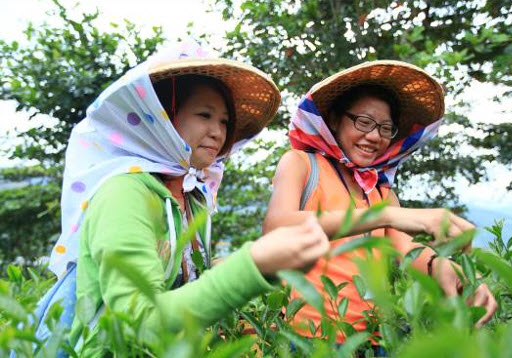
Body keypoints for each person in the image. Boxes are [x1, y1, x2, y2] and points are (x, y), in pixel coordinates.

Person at [39, 41, 330, 356]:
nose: (218, 132)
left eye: (224, 122)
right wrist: (252, 265)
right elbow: (138, 321)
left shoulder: (192, 196)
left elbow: (181, 282)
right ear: (162, 117)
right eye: (204, 115)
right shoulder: (124, 193)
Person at [264, 60, 498, 345]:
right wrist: (384, 216)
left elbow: (413, 253)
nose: (374, 136)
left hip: (368, 340)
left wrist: (462, 277)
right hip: (306, 338)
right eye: (363, 122)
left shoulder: (380, 191)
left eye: (386, 128)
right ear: (335, 120)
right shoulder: (302, 164)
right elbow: (276, 227)